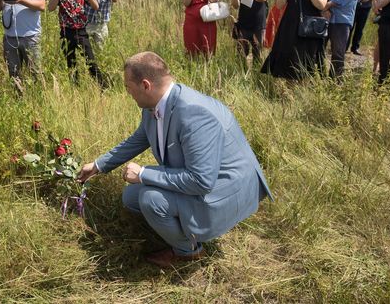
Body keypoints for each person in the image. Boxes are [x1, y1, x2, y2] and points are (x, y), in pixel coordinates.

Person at [76, 52, 272, 267]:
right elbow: (138, 140)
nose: (128, 93)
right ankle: (180, 226)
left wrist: (143, 174)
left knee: (151, 199)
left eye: (128, 87)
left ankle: (188, 252)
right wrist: (98, 165)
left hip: (224, 193)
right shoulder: (155, 105)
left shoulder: (194, 114)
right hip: (205, 185)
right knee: (131, 196)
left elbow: (201, 181)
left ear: (145, 85)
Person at [261, 0, 330, 80]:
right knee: (289, 63)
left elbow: (321, 5)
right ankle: (289, 96)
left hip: (310, 29)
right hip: (290, 26)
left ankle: (303, 94)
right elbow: (280, 5)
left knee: (306, 63)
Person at [48, 0, 106, 87]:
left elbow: (96, 6)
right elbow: (50, 8)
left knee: (91, 61)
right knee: (71, 63)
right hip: (66, 31)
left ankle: (103, 86)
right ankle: (75, 88)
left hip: (81, 31)